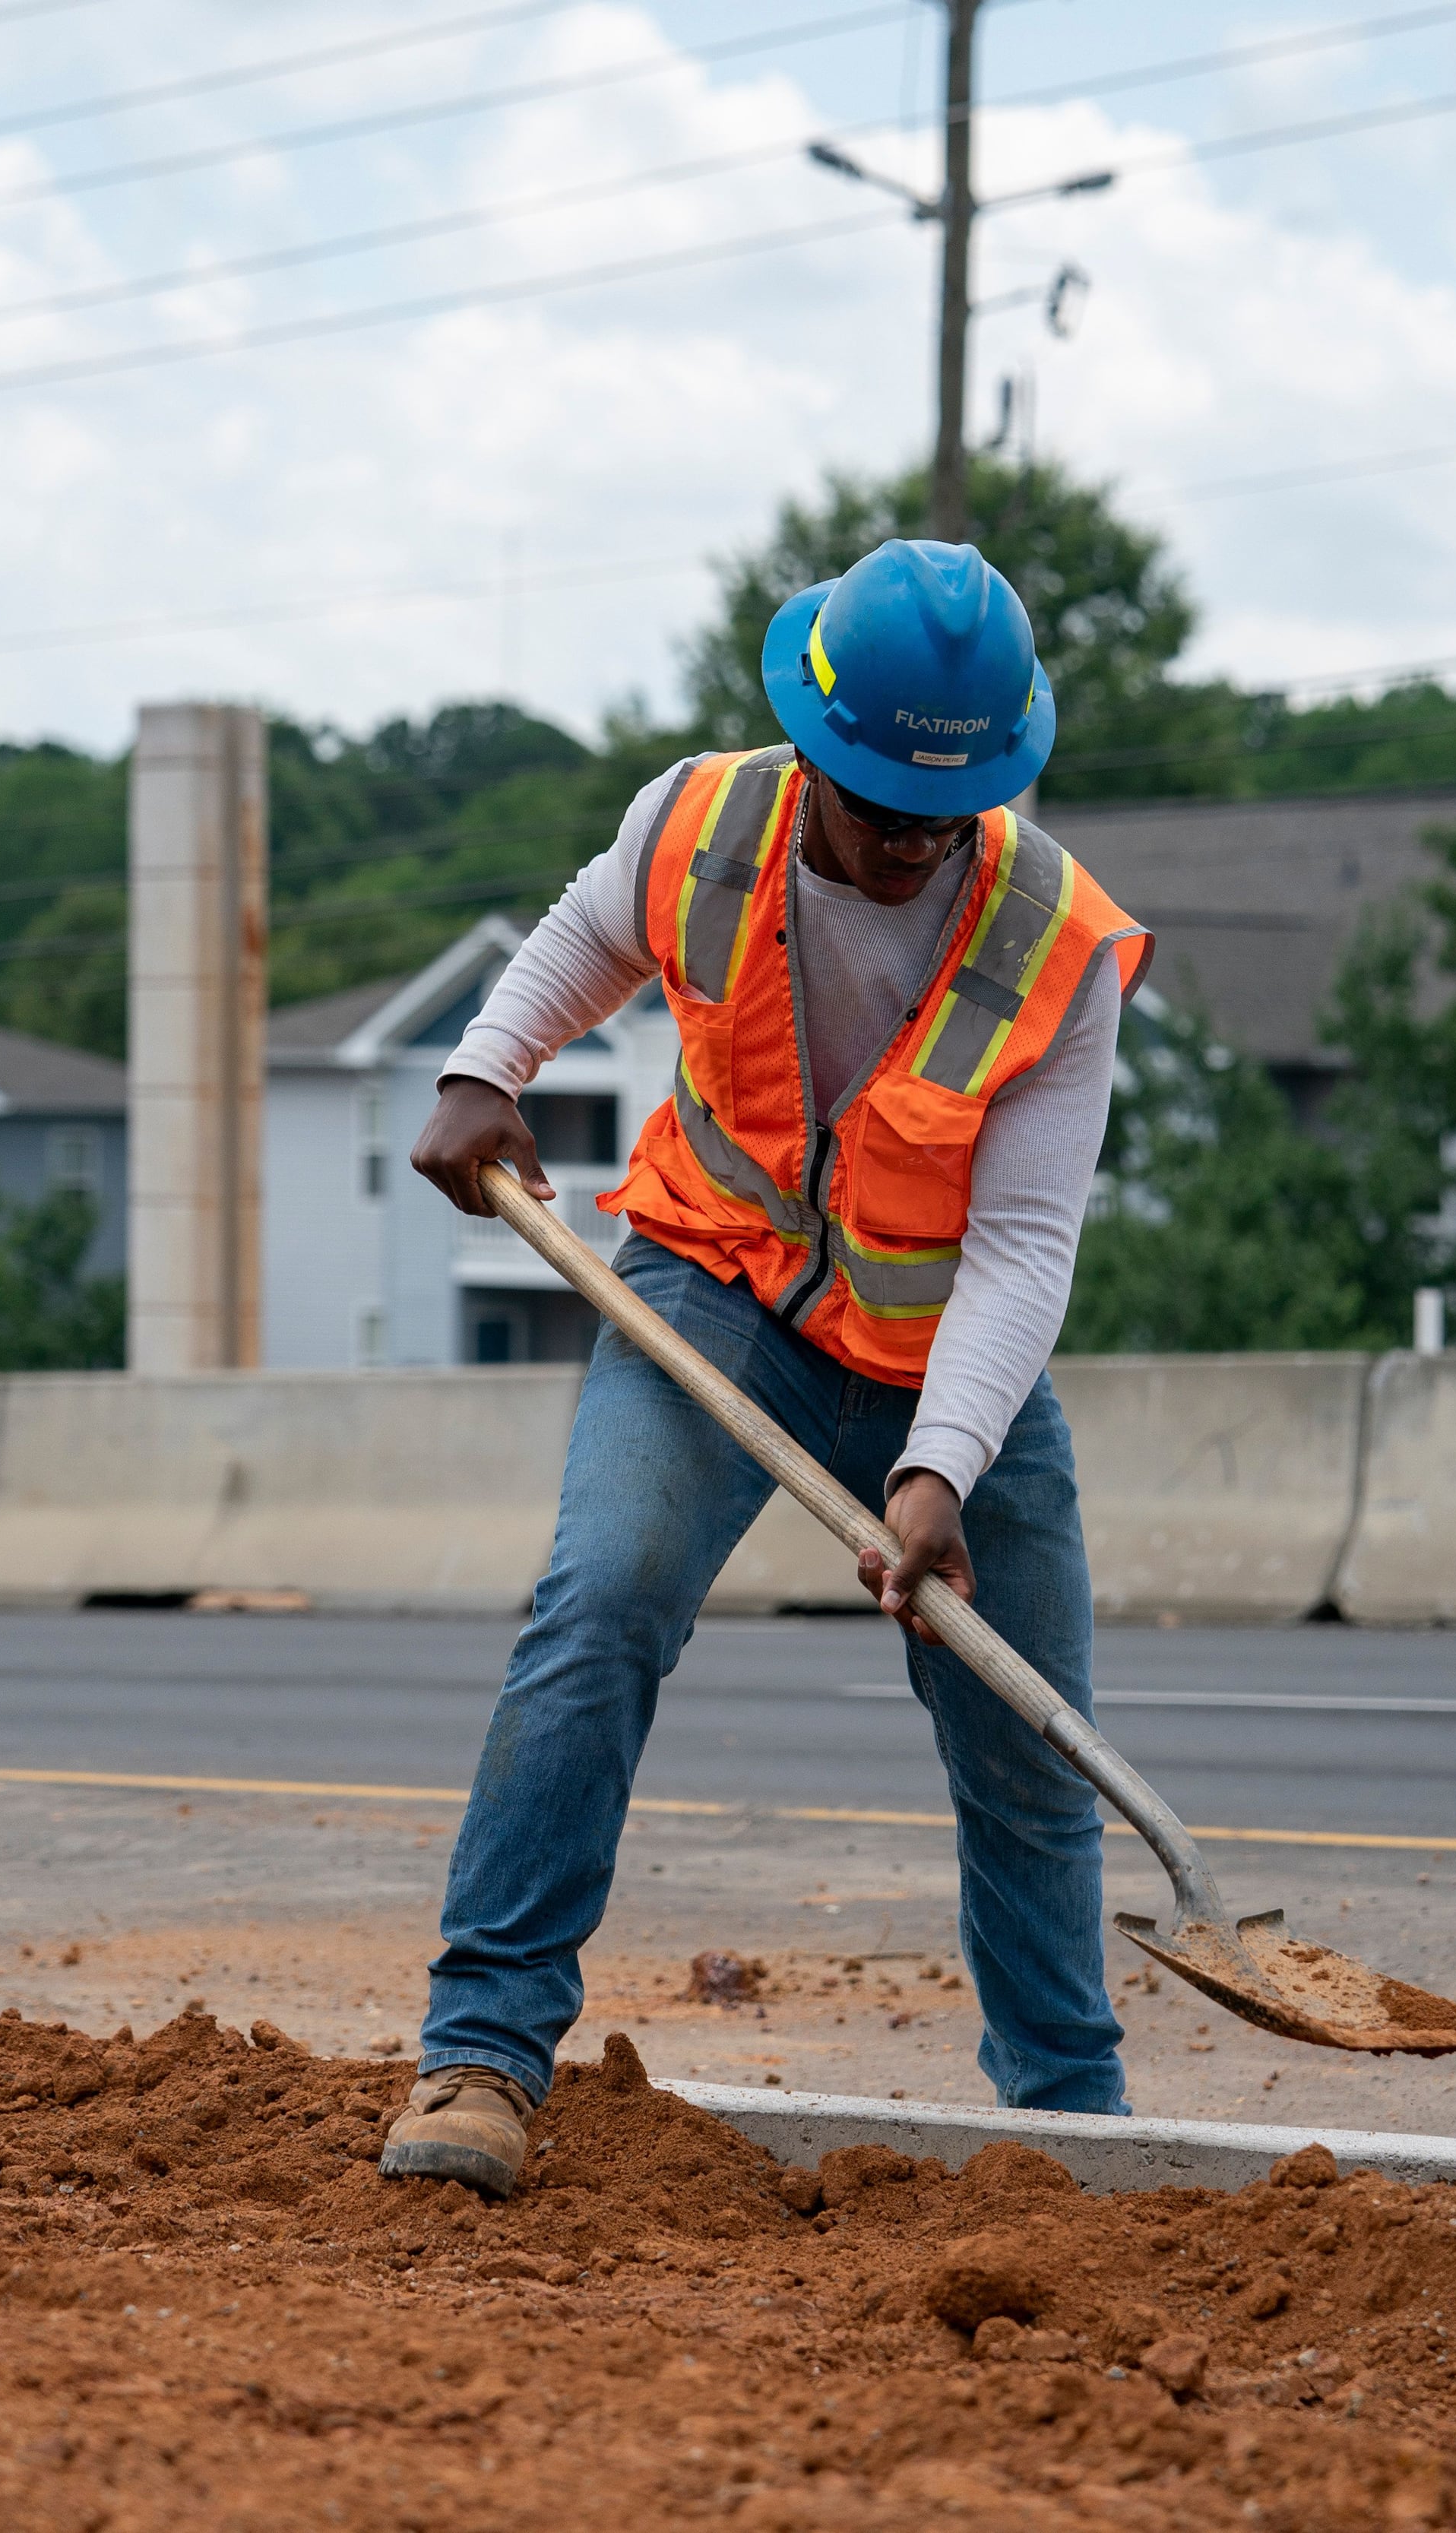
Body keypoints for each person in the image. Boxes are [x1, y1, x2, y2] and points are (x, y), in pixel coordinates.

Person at [382, 538, 1152, 2199]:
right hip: (712, 1292)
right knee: (596, 1608)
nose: (905, 850)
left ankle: (1072, 2127)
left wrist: (941, 1466)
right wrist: (483, 1066)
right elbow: (585, 940)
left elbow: (1022, 1247)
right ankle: (482, 2053)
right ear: (813, 748)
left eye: (939, 821)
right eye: (876, 809)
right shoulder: (699, 822)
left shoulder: (1059, 946)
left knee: (1033, 1744)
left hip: (950, 1348)